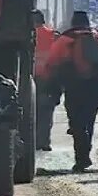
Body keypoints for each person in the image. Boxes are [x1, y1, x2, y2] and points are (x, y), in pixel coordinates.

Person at [44, 11, 98, 172]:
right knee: (89, 118)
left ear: (73, 23)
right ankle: (85, 150)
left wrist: (52, 88)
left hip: (75, 86)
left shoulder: (65, 40)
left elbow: (51, 64)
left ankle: (82, 156)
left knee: (77, 122)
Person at [33, 10, 60, 151]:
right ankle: (44, 141)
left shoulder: (27, 35)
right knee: (46, 112)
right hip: (49, 79)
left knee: (31, 112)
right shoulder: (52, 35)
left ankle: (31, 141)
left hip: (30, 79)